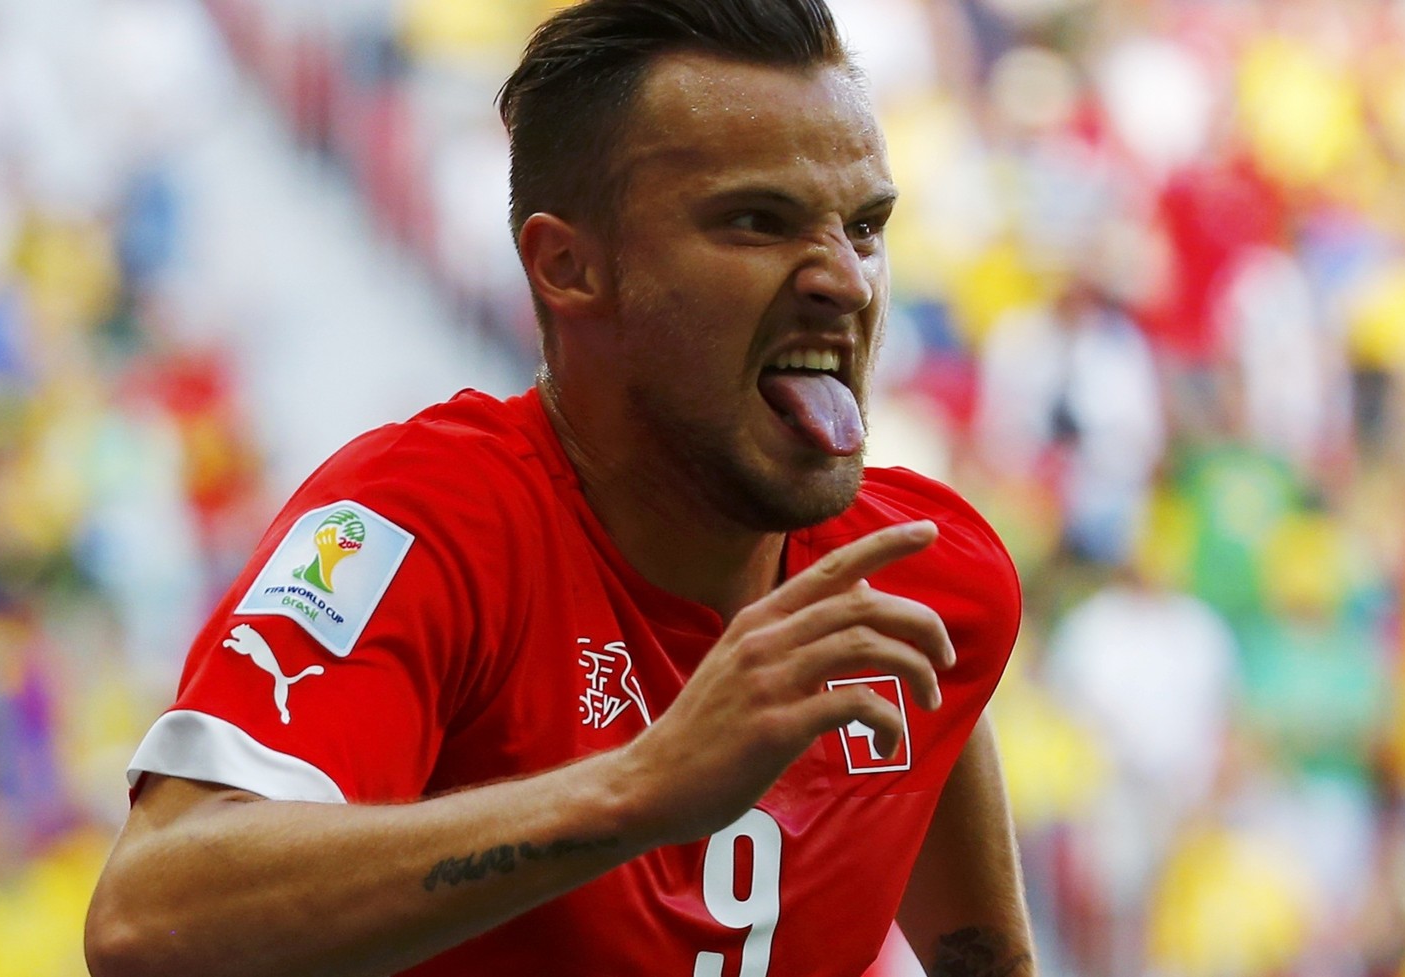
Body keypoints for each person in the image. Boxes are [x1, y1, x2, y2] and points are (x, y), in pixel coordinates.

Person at [83, 2, 1034, 975]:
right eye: (757, 222)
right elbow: (151, 920)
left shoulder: (927, 580)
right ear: (567, 266)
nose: (846, 279)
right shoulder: (425, 523)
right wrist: (636, 791)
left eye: (865, 227)